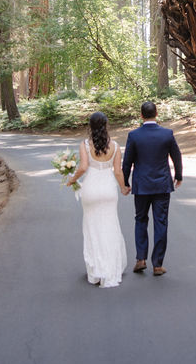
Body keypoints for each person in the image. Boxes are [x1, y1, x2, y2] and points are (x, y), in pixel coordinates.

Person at [67, 112, 128, 287]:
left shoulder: (85, 145)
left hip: (91, 189)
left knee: (92, 228)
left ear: (90, 126)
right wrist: (123, 187)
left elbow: (84, 167)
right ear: (106, 125)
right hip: (109, 190)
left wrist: (72, 179)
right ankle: (110, 268)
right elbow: (118, 171)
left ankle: (96, 271)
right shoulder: (115, 146)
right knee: (110, 227)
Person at [122, 101, 182, 277]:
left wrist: (125, 182)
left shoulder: (134, 135)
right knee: (160, 222)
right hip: (162, 185)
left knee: (140, 220)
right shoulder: (167, 134)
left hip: (141, 186)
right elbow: (176, 156)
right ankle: (157, 264)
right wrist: (178, 176)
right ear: (157, 114)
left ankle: (141, 259)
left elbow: (127, 162)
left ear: (141, 115)